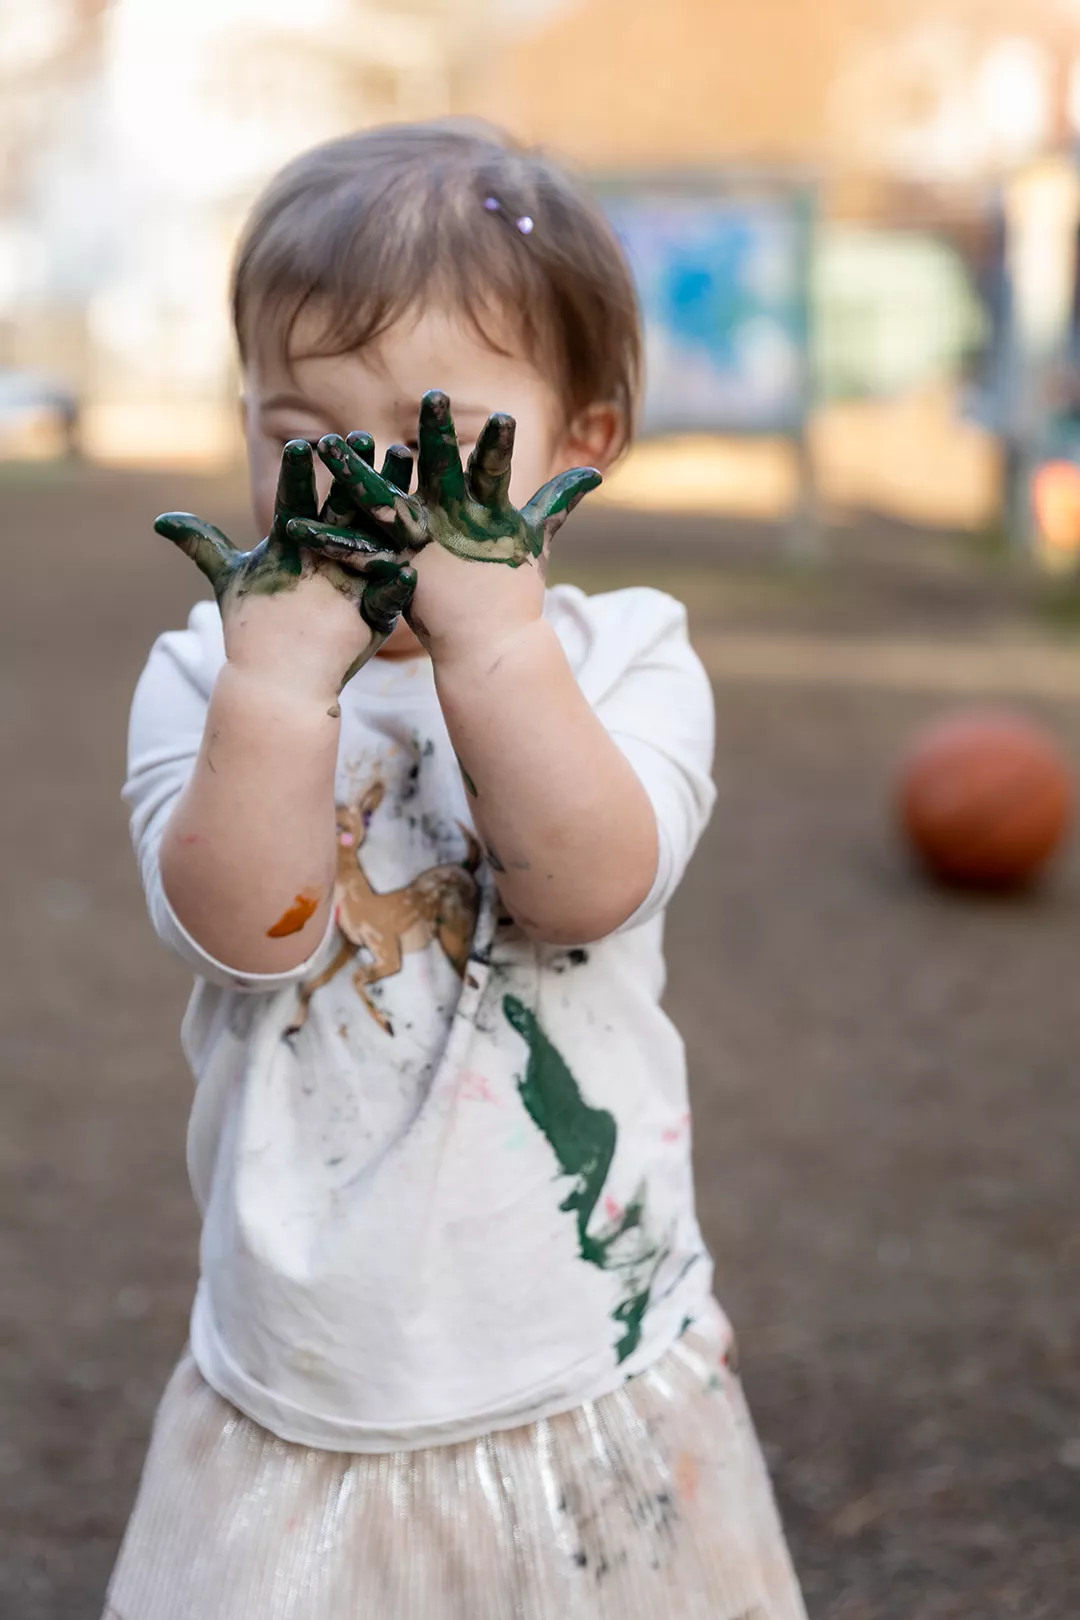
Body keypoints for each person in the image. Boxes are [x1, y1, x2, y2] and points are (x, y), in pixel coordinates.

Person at [106, 119, 807, 1620]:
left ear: (583, 443)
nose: (364, 494)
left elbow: (587, 887)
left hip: (581, 1344)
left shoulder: (630, 659)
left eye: (430, 442)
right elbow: (250, 938)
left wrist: (493, 641)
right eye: (303, 441)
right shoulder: (203, 676)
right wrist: (281, 695)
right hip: (308, 1374)